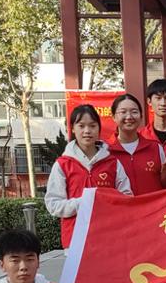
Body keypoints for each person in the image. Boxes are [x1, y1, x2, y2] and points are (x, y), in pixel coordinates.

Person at [45, 105, 132, 250]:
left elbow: (127, 197)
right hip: (75, 241)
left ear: (99, 128)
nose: (87, 131)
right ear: (72, 129)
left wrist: (107, 202)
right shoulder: (63, 164)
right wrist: (83, 203)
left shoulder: (112, 163)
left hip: (109, 238)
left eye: (92, 126)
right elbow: (53, 204)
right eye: (81, 126)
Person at [108, 94, 166, 194]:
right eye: (123, 112)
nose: (129, 117)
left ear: (141, 116)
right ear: (113, 117)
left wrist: (165, 173)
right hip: (122, 204)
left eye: (134, 112)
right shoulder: (106, 151)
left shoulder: (155, 148)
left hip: (153, 204)